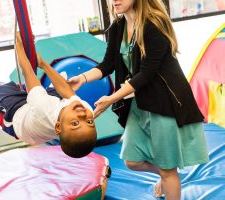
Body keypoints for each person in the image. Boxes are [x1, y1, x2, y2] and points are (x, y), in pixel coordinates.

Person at [68, 0, 209, 199]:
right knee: (132, 161)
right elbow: (108, 64)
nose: (115, 0)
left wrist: (111, 99)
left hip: (165, 102)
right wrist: (82, 79)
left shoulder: (154, 23)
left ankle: (168, 176)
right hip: (140, 100)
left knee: (169, 169)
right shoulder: (119, 26)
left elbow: (146, 74)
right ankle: (166, 174)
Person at [0, 33, 97, 158]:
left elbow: (27, 72)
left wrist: (19, 44)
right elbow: (66, 91)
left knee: (3, 89)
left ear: (58, 126)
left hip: (19, 118)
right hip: (49, 106)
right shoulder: (85, 110)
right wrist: (42, 63)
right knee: (60, 89)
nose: (82, 115)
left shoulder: (44, 110)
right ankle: (43, 91)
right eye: (89, 122)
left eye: (75, 123)